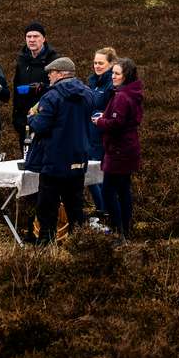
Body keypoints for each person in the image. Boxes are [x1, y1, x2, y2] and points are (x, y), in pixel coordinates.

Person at [25, 56, 94, 244]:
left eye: (51, 72)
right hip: (78, 157)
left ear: (61, 74)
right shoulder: (88, 94)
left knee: (48, 206)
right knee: (75, 206)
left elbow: (41, 126)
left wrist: (31, 116)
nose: (49, 76)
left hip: (53, 160)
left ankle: (46, 246)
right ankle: (80, 243)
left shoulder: (51, 96)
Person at [95, 57, 144, 239]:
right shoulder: (132, 93)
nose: (113, 76)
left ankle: (118, 231)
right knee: (123, 190)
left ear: (126, 75)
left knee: (108, 191)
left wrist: (100, 121)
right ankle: (125, 229)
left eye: (116, 73)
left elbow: (116, 123)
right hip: (128, 148)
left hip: (119, 151)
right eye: (112, 73)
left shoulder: (122, 96)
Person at [11, 21, 59, 153]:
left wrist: (42, 87)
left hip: (45, 117)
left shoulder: (53, 59)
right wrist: (16, 116)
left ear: (44, 38)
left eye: (36, 36)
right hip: (24, 118)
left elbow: (59, 88)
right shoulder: (22, 59)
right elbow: (16, 87)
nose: (32, 40)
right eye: (29, 36)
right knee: (26, 157)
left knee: (44, 157)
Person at [85, 47, 117, 217]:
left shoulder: (112, 85)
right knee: (89, 173)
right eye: (95, 63)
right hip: (90, 134)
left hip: (104, 136)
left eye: (101, 63)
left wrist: (103, 115)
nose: (96, 66)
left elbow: (114, 110)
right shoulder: (92, 81)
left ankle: (106, 210)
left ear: (111, 64)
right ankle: (101, 207)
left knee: (99, 173)